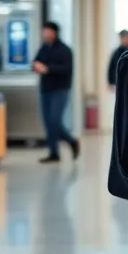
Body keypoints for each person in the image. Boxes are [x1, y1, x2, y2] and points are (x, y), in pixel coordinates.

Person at [33, 21, 80, 163]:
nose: (45, 34)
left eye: (47, 31)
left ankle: (71, 141)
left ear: (54, 32)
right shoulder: (44, 48)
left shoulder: (65, 50)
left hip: (60, 89)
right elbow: (36, 62)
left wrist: (47, 69)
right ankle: (53, 152)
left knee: (55, 120)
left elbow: (67, 69)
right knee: (47, 122)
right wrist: (36, 66)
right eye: (44, 31)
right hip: (45, 89)